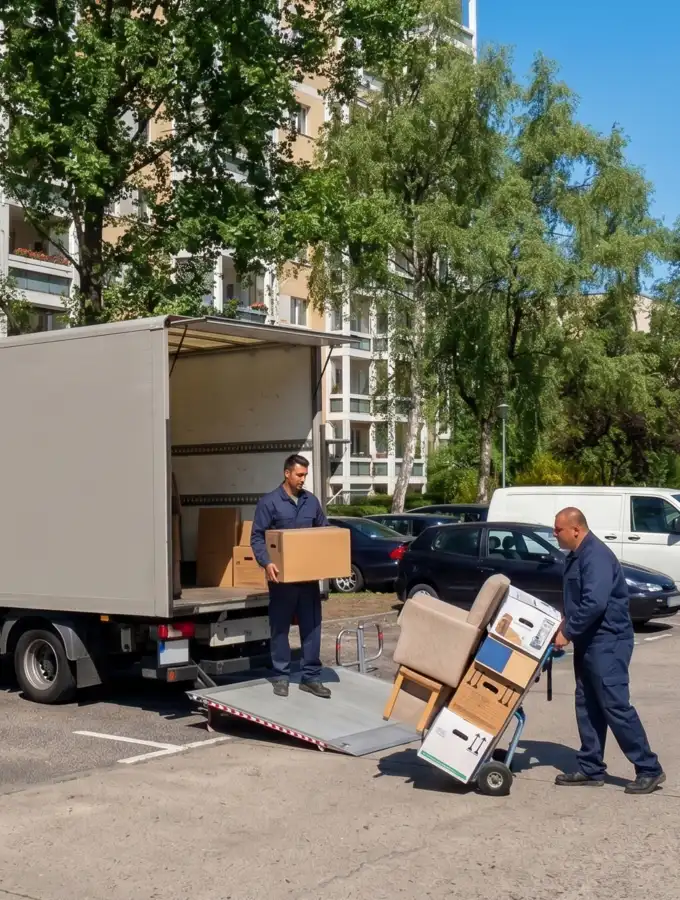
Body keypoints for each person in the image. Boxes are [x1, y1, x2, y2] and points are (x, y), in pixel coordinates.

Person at [552, 507, 665, 795]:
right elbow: (579, 601)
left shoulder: (595, 556)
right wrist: (564, 623)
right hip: (589, 641)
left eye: (558, 529)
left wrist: (568, 631)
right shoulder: (577, 556)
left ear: (576, 529)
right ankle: (591, 767)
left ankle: (649, 768)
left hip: (608, 641)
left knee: (614, 704)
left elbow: (595, 602)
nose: (555, 534)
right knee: (587, 703)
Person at [251, 454, 331, 699]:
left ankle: (311, 677)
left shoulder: (311, 502)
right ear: (287, 473)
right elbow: (257, 537)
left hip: (308, 581)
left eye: (305, 475)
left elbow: (324, 532)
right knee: (280, 629)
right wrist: (266, 563)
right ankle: (281, 676)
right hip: (282, 581)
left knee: (312, 628)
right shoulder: (270, 503)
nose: (302, 480)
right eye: (299, 475)